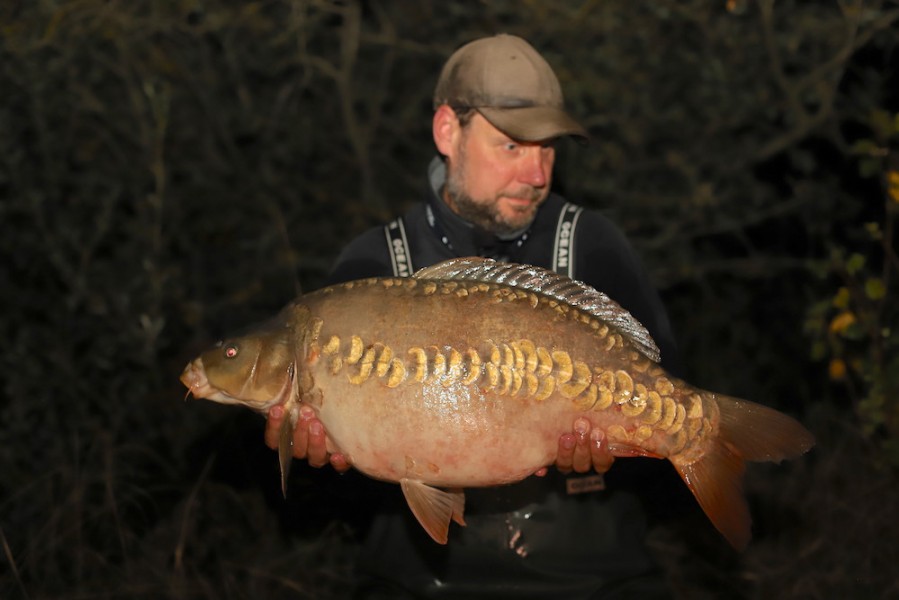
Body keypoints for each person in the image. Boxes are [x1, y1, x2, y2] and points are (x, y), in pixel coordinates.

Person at [265, 34, 682, 599]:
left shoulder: (592, 244)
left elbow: (664, 397)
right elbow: (328, 506)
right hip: (421, 580)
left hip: (589, 578)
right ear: (447, 131)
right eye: (512, 146)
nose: (537, 174)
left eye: (548, 150)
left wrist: (606, 455)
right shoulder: (371, 265)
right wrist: (323, 458)